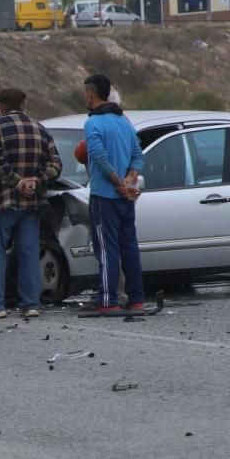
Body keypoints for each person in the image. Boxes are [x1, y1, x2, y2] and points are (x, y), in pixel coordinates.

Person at [0, 88, 62, 320]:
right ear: (24, 104)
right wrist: (36, 180)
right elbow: (56, 164)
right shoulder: (39, 128)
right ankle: (31, 304)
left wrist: (17, 181)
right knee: (29, 253)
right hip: (31, 203)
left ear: (0, 106)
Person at [82, 74, 144, 312]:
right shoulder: (124, 121)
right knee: (129, 245)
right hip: (126, 198)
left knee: (106, 248)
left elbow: (98, 156)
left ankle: (108, 300)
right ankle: (137, 298)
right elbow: (138, 154)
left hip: (104, 197)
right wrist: (130, 180)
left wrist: (118, 182)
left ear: (90, 94)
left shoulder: (93, 124)